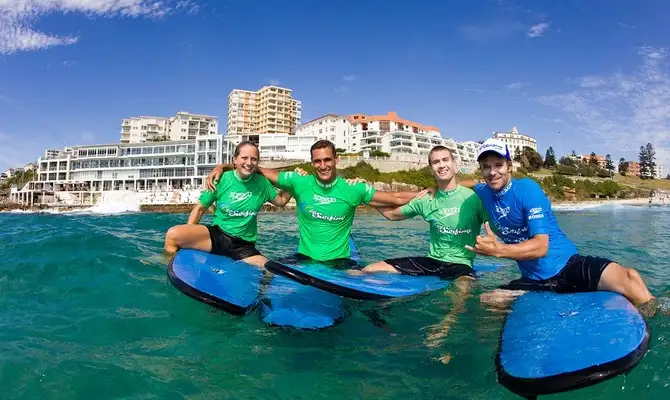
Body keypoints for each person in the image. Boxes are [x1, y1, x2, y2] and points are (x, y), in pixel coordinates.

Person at [464, 138, 655, 311]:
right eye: (486, 167)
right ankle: (535, 304)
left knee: (630, 279)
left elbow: (541, 247)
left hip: (567, 267)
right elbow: (468, 183)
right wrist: (433, 188)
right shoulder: (484, 191)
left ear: (510, 166)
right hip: (534, 281)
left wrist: (499, 250)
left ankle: (655, 315)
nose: (492, 172)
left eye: (498, 165)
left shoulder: (527, 189)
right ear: (481, 169)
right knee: (489, 300)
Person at [205, 139, 430, 267]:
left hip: (339, 261)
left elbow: (396, 198)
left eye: (327, 160)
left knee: (365, 301)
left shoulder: (354, 188)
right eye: (317, 161)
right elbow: (251, 166)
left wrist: (429, 192)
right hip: (304, 258)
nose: (322, 165)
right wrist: (223, 167)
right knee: (270, 273)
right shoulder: (299, 181)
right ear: (312, 163)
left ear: (336, 160)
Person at [353, 145, 489, 356]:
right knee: (370, 269)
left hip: (460, 264)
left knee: (462, 291)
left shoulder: (474, 198)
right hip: (432, 261)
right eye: (436, 162)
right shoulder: (426, 199)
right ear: (430, 168)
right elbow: (392, 215)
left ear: (455, 164)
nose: (442, 165)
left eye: (445, 160)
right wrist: (364, 195)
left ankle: (444, 328)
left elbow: (494, 226)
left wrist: (494, 243)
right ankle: (373, 309)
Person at [163, 141, 293, 267]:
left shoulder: (262, 183)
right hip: (218, 236)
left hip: (244, 244)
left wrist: (294, 183)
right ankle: (170, 267)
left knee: (268, 269)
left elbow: (281, 201)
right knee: (173, 235)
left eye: (253, 159)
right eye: (244, 158)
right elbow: (200, 209)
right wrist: (189, 234)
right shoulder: (221, 179)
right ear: (235, 160)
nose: (249, 162)